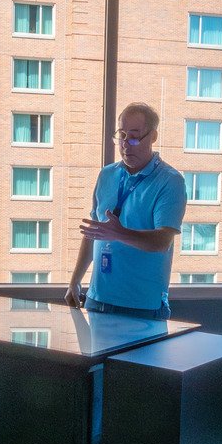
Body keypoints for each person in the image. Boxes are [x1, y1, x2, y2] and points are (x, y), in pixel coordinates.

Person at [64, 102, 187, 319]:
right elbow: (94, 233)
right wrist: (75, 280)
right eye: (121, 136)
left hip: (142, 306)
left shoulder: (170, 181)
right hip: (97, 300)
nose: (126, 145)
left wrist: (118, 233)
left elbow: (162, 242)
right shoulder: (107, 175)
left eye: (134, 136)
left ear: (153, 136)